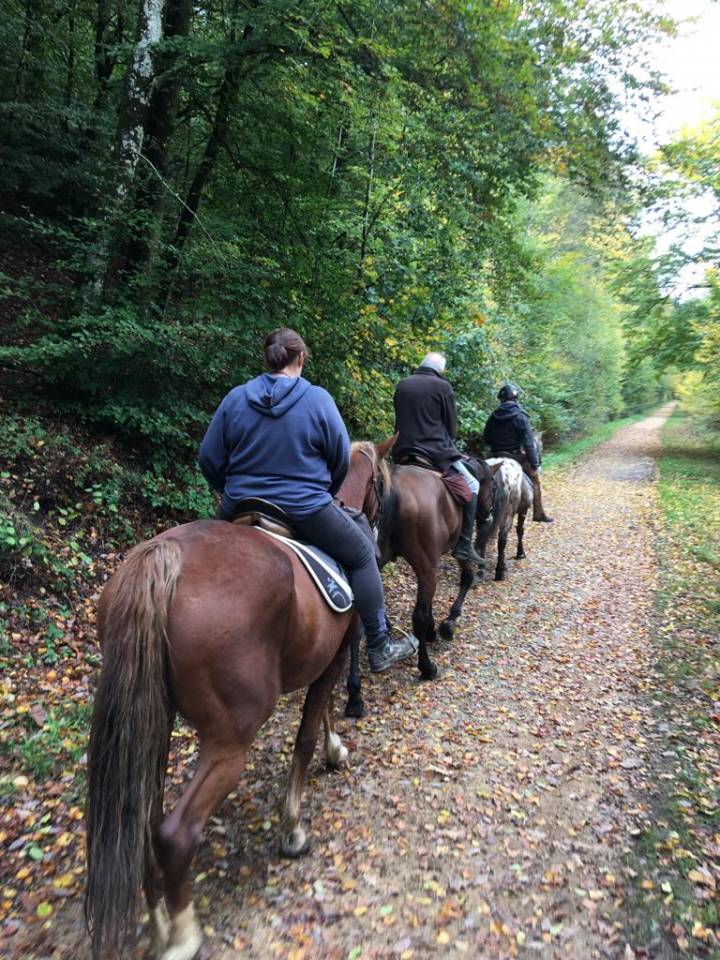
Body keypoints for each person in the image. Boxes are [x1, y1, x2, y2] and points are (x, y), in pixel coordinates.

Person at [198, 327, 416, 673]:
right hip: (303, 507)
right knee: (362, 555)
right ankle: (379, 643)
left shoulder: (236, 398)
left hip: (240, 505)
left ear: (267, 359)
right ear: (300, 358)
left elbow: (209, 458)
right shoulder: (317, 399)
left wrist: (230, 490)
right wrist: (322, 491)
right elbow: (339, 459)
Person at [393, 352, 483, 565]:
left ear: (422, 364)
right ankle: (464, 545)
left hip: (402, 451)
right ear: (440, 369)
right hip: (435, 452)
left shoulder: (403, 385)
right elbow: (451, 427)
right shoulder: (443, 387)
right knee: (473, 485)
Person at [483, 382, 553, 523]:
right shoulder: (521, 417)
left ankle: (480, 515)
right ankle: (538, 513)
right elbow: (528, 443)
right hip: (515, 456)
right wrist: (534, 464)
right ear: (515, 399)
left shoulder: (493, 417)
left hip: (495, 455)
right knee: (536, 479)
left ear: (501, 399)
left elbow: (486, 438)